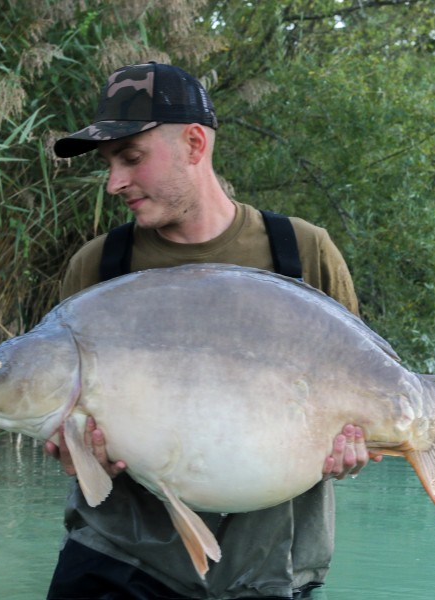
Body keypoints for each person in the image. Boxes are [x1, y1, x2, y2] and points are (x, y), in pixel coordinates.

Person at [45, 62, 381, 600]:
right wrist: (72, 450)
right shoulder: (99, 267)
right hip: (118, 562)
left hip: (270, 570)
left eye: (131, 158)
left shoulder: (302, 252)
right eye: (109, 164)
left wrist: (352, 452)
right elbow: (67, 427)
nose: (114, 183)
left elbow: (359, 401)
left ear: (195, 144)